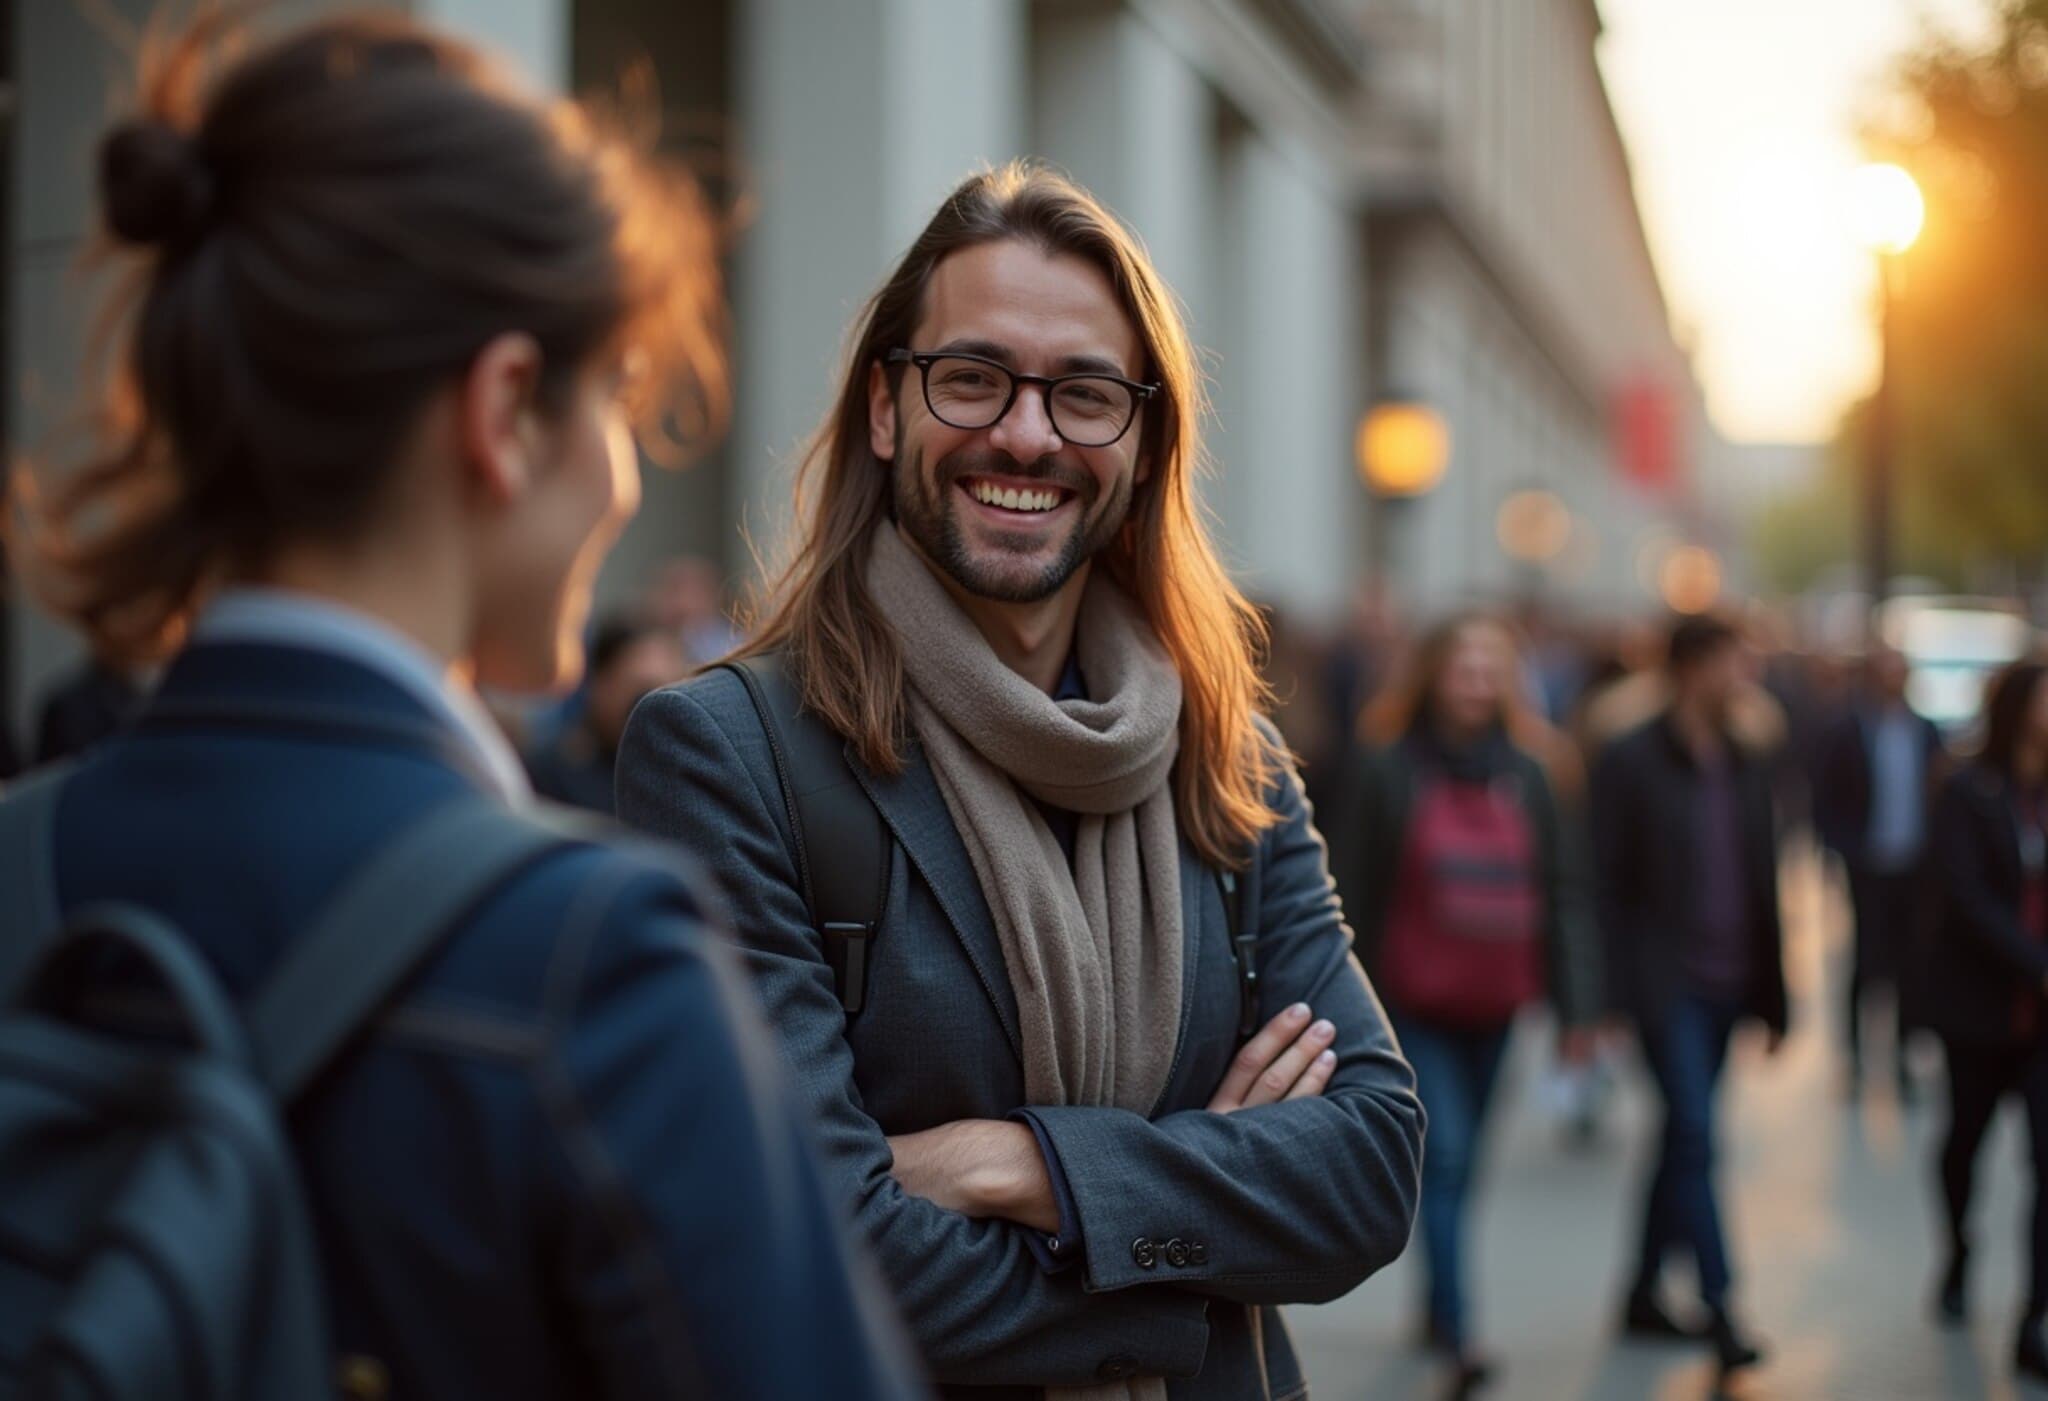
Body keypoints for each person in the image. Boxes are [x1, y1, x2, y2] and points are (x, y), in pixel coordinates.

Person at [10, 14, 919, 1399]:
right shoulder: (597, 967)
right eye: (615, 396)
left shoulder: (19, 869)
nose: (622, 476)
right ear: (503, 412)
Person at [617, 162, 1424, 1398]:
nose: (1027, 435)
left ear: (1143, 444)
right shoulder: (730, 755)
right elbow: (808, 1245)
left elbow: (1368, 1167)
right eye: (972, 377)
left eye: (1084, 394)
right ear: (885, 408)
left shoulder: (1227, 758)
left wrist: (1022, 1165)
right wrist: (1197, 1250)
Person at [1330, 613, 1601, 1396]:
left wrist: (1578, 1012)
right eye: (1464, 668)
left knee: (1466, 1160)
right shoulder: (1386, 763)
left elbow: (1566, 890)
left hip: (1497, 998)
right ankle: (1458, 1329)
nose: (1477, 684)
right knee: (1444, 1155)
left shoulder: (1535, 769)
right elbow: (1346, 884)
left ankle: (1434, 1302)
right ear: (1433, 674)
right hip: (1408, 1000)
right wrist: (1340, 1000)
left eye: (1491, 670)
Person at [1590, 614, 1786, 1378]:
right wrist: (1606, 995)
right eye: (1733, 661)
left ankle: (1643, 1289)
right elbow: (1605, 881)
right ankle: (1721, 1301)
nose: (1745, 676)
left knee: (1681, 1136)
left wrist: (1777, 996)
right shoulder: (1630, 758)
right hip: (1664, 982)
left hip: (1730, 978)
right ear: (1692, 668)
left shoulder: (1747, 754)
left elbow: (1765, 876)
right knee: (1697, 1134)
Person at [1924, 661, 2048, 1382]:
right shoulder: (1969, 789)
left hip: (2043, 1022)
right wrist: (2035, 964)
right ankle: (1958, 1247)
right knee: (1963, 1144)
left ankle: (2035, 1315)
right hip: (1981, 1007)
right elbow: (1965, 896)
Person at [1815, 645, 1947, 1099]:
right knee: (1865, 960)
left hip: (1913, 866)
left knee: (1909, 963)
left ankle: (1903, 1053)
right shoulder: (1848, 729)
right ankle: (1853, 1055)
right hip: (1868, 864)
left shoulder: (1925, 731)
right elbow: (1827, 796)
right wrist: (1841, 850)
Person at [524, 612, 686, 813]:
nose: (659, 710)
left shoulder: (685, 772)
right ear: (600, 685)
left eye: (673, 693)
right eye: (642, 692)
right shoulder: (554, 774)